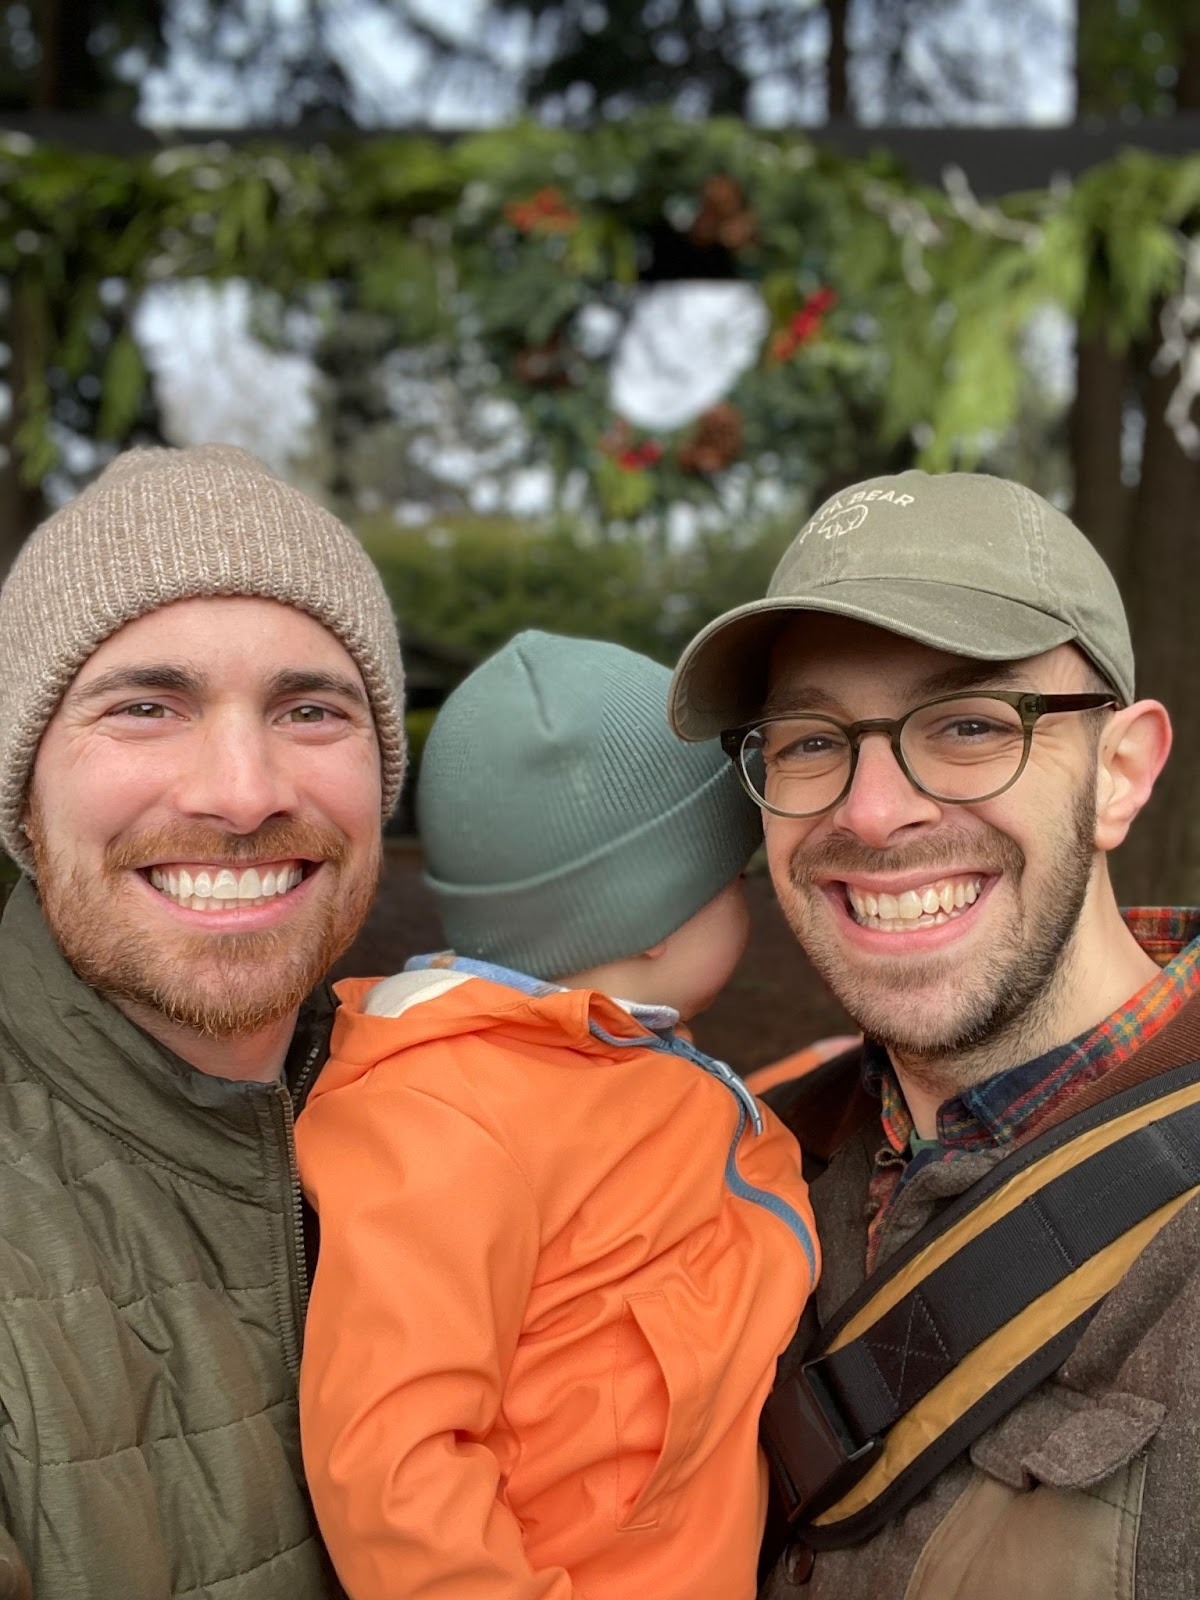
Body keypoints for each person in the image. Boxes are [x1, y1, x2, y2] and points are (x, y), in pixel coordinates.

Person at [668, 469, 1192, 1600]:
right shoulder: (747, 1160)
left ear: (1122, 771)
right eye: (810, 741)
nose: (870, 809)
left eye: (967, 724)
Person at [295, 630, 820, 1600]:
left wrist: (813, 1076)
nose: (752, 900)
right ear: (654, 914)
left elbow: (648, 1145)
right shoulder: (439, 1124)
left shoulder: (585, 1054)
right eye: (733, 880)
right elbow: (395, 1465)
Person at [0, 443, 405, 1599]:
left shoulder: (464, 1102)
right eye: (143, 707)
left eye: (312, 708)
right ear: (25, 793)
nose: (241, 789)